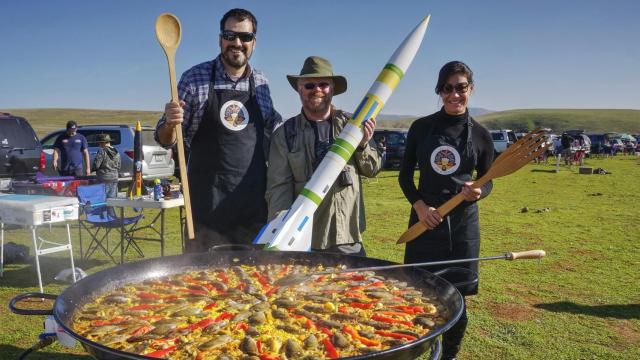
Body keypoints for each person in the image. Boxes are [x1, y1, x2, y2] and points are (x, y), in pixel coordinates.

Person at [155, 8, 282, 252]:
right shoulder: (194, 78)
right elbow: (166, 139)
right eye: (230, 35)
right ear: (220, 39)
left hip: (252, 211)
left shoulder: (262, 83)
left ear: (253, 42)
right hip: (206, 213)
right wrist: (170, 123)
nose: (237, 43)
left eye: (245, 37)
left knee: (251, 283)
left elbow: (274, 130)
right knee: (203, 286)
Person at [398, 61, 494, 360]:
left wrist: (479, 192)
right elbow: (404, 176)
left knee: (457, 300)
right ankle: (414, 350)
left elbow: (489, 180)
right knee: (417, 294)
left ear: (471, 89)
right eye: (448, 88)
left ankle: (447, 356)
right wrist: (421, 206)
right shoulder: (421, 128)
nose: (454, 95)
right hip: (425, 222)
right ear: (439, 91)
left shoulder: (481, 134)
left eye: (461, 88)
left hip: (463, 227)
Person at [266, 56, 381, 256]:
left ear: (332, 89)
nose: (317, 89)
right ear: (299, 89)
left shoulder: (352, 125)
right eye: (309, 85)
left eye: (323, 84)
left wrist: (363, 145)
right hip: (304, 240)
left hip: (346, 236)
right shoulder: (285, 134)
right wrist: (281, 230)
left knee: (354, 287)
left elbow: (373, 170)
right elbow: (278, 188)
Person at [92, 133, 120, 198]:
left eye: (99, 143)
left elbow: (96, 165)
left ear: (103, 143)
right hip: (114, 178)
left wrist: (92, 170)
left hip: (103, 178)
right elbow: (119, 166)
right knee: (112, 201)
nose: (99, 144)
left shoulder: (101, 151)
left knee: (103, 201)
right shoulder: (116, 151)